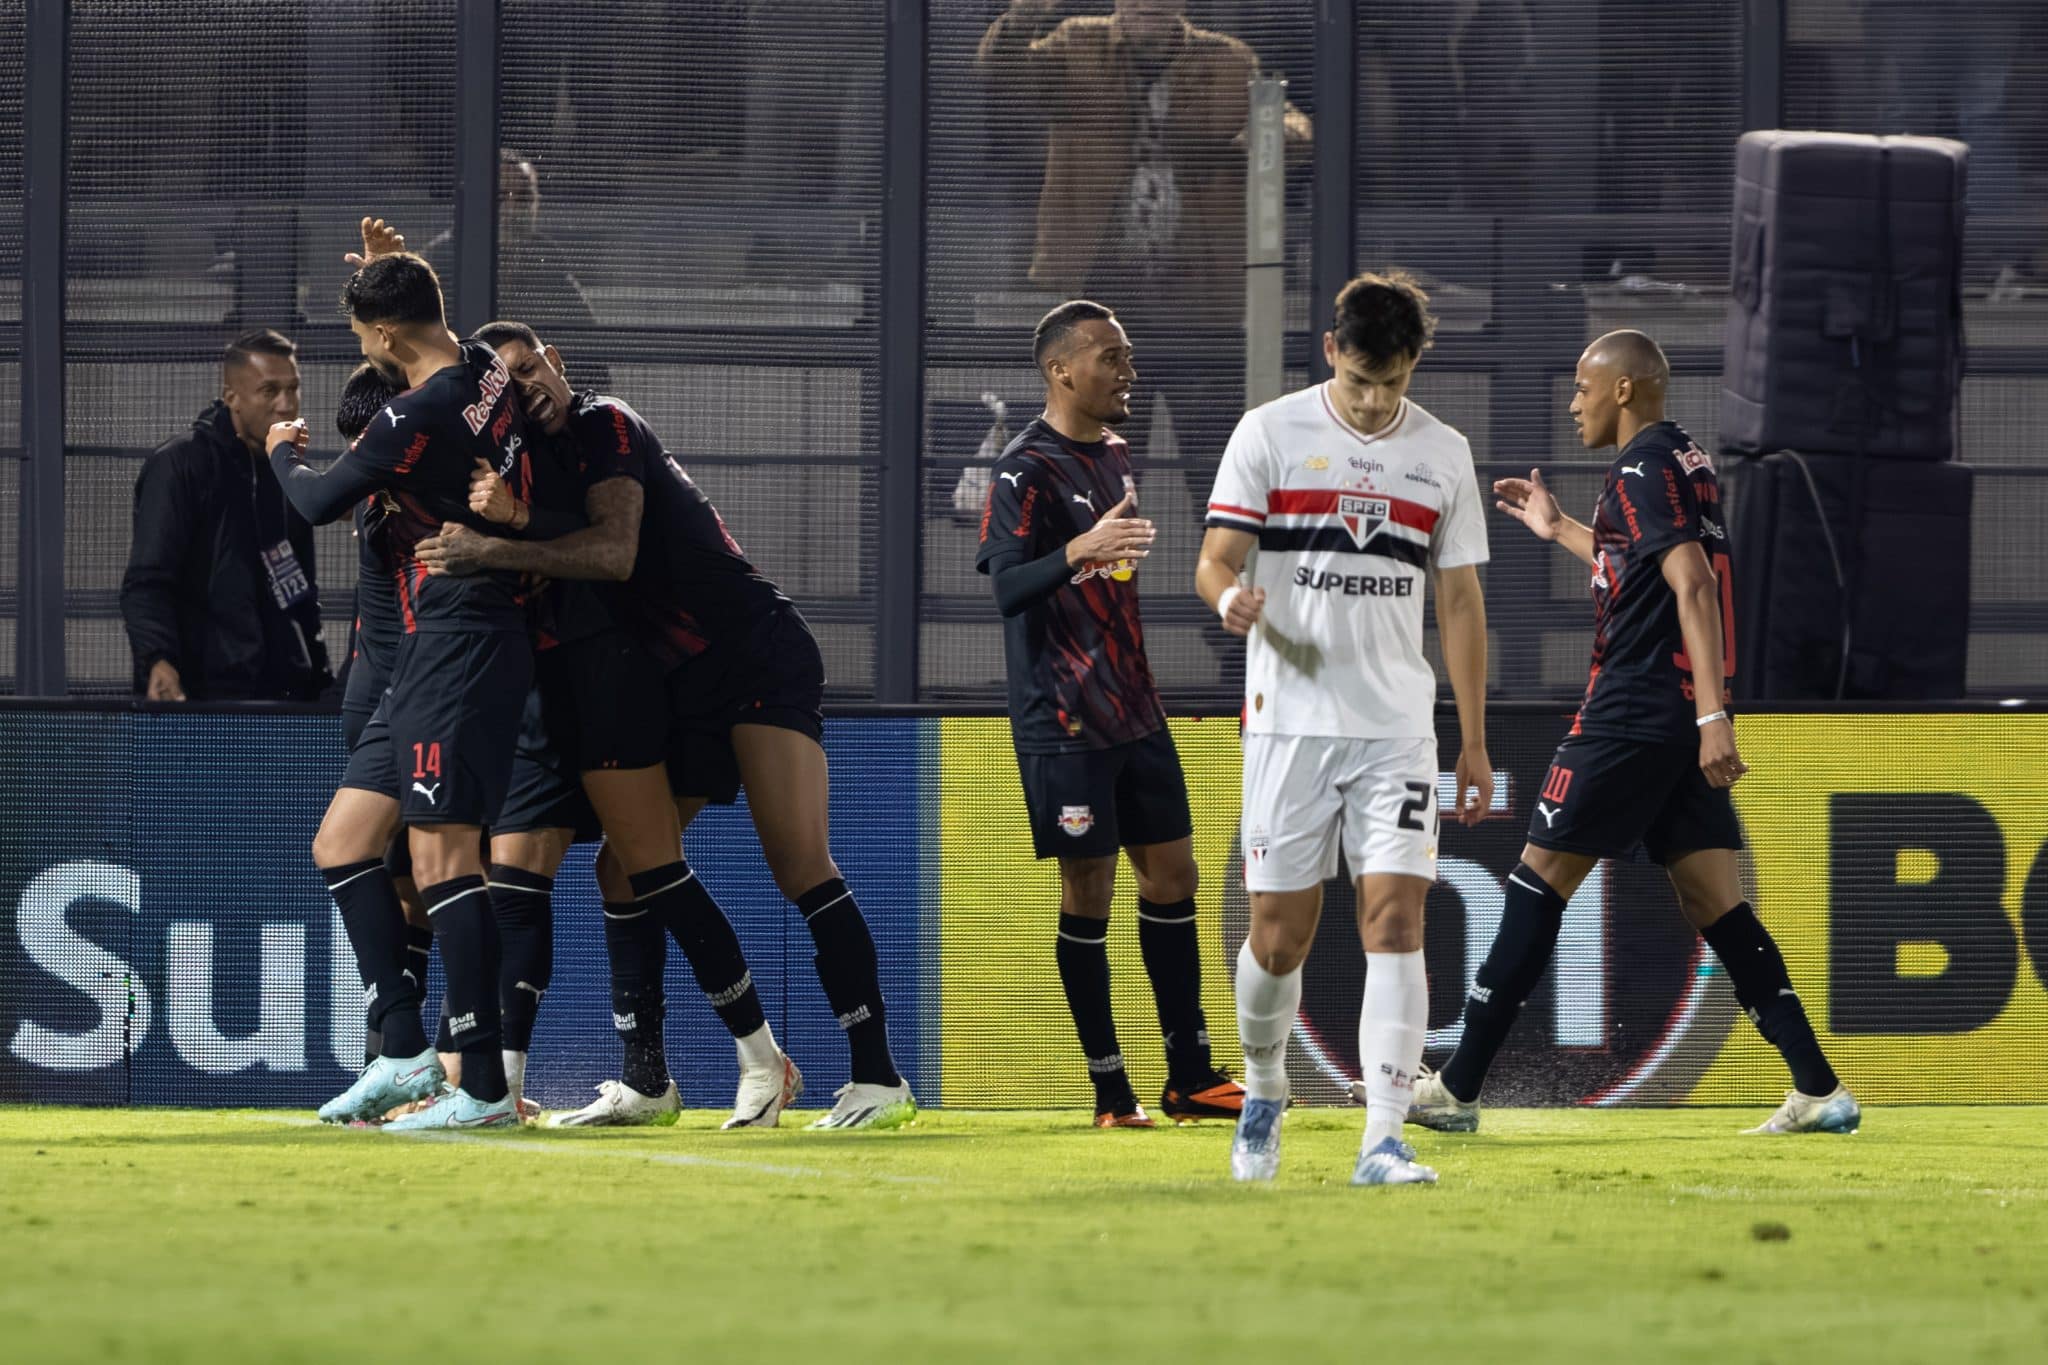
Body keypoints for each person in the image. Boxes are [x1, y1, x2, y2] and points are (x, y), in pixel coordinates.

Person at [419, 325, 914, 1131]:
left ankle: (876, 1076)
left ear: (558, 360)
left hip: (751, 652)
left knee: (799, 862)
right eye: (506, 380)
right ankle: (648, 1082)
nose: (528, 382)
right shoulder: (530, 468)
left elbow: (615, 552)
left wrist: (501, 534)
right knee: (626, 870)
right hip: (679, 679)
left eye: (532, 362)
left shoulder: (605, 421)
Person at [1407, 329, 1861, 1137]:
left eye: (1583, 386)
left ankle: (1460, 1085)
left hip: (1631, 711)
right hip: (1674, 721)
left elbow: (1689, 583)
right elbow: (1648, 565)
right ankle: (1820, 1088)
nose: (1573, 400)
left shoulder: (1642, 467)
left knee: (1537, 880)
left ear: (1623, 390)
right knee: (1713, 898)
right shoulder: (1681, 461)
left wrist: (1715, 715)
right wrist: (1562, 529)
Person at [1196, 272, 1492, 1186]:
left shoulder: (1443, 453)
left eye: (1392, 384)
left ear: (1413, 368)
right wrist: (1228, 599)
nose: (1373, 403)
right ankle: (1265, 1083)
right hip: (1289, 723)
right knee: (1278, 936)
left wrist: (1471, 739)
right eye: (1361, 380)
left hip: (1396, 727)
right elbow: (1212, 560)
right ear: (1331, 352)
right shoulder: (1271, 432)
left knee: (1397, 919)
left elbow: (1460, 598)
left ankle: (1385, 1135)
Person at [268, 234, 537, 1132]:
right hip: (426, 651)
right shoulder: (485, 367)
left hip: (464, 637)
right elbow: (436, 323)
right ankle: (399, 1048)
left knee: (441, 858)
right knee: (343, 842)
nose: (362, 351)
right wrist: (401, 265)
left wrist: (278, 450)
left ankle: (484, 1088)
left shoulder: (415, 414)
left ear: (384, 335)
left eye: (362, 335)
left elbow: (312, 501)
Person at [975, 299, 1244, 1129]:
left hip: (1134, 706)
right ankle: (1108, 1087)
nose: (1127, 370)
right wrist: (1078, 551)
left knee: (1174, 876)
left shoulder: (1119, 453)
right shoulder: (1024, 468)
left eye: (1127, 356)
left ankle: (1190, 1075)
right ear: (1061, 370)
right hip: (1064, 716)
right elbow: (1006, 586)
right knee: (1086, 887)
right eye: (1110, 357)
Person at [975, 0, 1311, 473]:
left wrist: (1273, 135)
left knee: (1216, 465)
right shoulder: (1078, 44)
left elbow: (1291, 121)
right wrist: (1025, 15)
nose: (1144, 5)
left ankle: (1220, 550)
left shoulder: (1226, 60)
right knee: (1101, 471)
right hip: (1108, 296)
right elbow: (1005, 75)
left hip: (1201, 297)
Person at [120, 329, 332, 703]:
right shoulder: (180, 464)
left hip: (282, 698)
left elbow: (299, 586)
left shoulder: (290, 472)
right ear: (232, 397)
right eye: (270, 391)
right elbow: (148, 581)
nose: (286, 405)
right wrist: (158, 660)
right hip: (200, 695)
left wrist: (319, 676)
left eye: (293, 389)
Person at [329, 363, 437, 1072]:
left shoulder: (423, 490)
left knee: (430, 884)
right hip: (389, 701)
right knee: (418, 881)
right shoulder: (388, 498)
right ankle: (403, 1060)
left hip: (409, 695)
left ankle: (411, 1059)